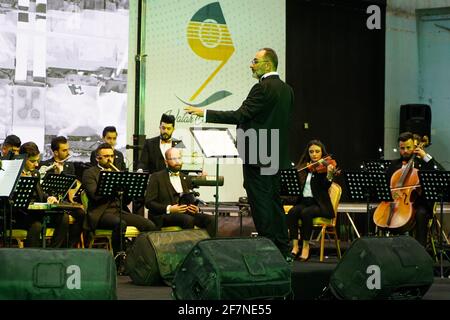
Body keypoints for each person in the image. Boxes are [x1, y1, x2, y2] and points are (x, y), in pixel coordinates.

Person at [185, 48, 294, 258]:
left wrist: (204, 112)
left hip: (257, 156)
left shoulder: (261, 88)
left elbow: (240, 115)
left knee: (261, 204)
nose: (251, 65)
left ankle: (268, 250)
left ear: (268, 64)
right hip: (275, 157)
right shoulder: (288, 90)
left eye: (255, 61)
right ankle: (283, 249)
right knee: (274, 202)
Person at [82, 143, 158, 255]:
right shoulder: (90, 173)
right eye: (106, 156)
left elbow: (125, 201)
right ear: (98, 158)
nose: (110, 159)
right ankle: (118, 259)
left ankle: (138, 256)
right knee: (120, 224)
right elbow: (94, 196)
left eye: (112, 156)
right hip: (101, 213)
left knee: (149, 225)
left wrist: (130, 188)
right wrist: (112, 183)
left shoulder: (117, 172)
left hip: (118, 211)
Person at [376, 131, 443, 247]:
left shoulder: (423, 163)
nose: (405, 151)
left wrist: (425, 157)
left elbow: (440, 174)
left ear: (415, 147)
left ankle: (420, 250)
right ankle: (381, 248)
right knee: (375, 213)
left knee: (421, 214)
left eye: (408, 147)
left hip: (419, 203)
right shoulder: (394, 164)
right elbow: (385, 184)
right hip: (397, 202)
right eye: (402, 148)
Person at [286, 140, 337, 261]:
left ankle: (305, 247)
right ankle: (294, 247)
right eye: (311, 152)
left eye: (317, 151)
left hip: (319, 204)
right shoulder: (304, 168)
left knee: (306, 213)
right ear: (308, 153)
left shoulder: (324, 168)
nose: (314, 154)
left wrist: (330, 174)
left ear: (322, 153)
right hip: (304, 202)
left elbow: (325, 186)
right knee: (293, 212)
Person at [145, 148, 214, 236]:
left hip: (185, 214)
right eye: (174, 159)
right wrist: (170, 209)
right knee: (188, 219)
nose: (177, 161)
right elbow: (149, 203)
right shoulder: (156, 177)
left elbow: (189, 199)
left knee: (211, 219)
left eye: (179, 158)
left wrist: (196, 209)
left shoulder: (186, 178)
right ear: (166, 162)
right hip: (163, 215)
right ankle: (187, 248)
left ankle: (208, 246)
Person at [14, 142, 70, 248]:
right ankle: (33, 256)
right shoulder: (15, 174)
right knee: (37, 225)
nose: (36, 164)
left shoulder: (35, 173)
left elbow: (41, 194)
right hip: (21, 214)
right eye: (32, 161)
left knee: (63, 217)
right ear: (22, 159)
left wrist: (48, 197)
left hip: (38, 211)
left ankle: (53, 251)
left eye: (37, 161)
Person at [39, 136, 85, 247]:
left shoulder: (69, 165)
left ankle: (70, 246)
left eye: (68, 149)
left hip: (64, 202)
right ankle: (56, 248)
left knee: (82, 214)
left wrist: (62, 172)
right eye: (64, 150)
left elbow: (73, 185)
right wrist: (55, 173)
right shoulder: (44, 165)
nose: (67, 152)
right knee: (63, 218)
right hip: (50, 202)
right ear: (55, 152)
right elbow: (42, 186)